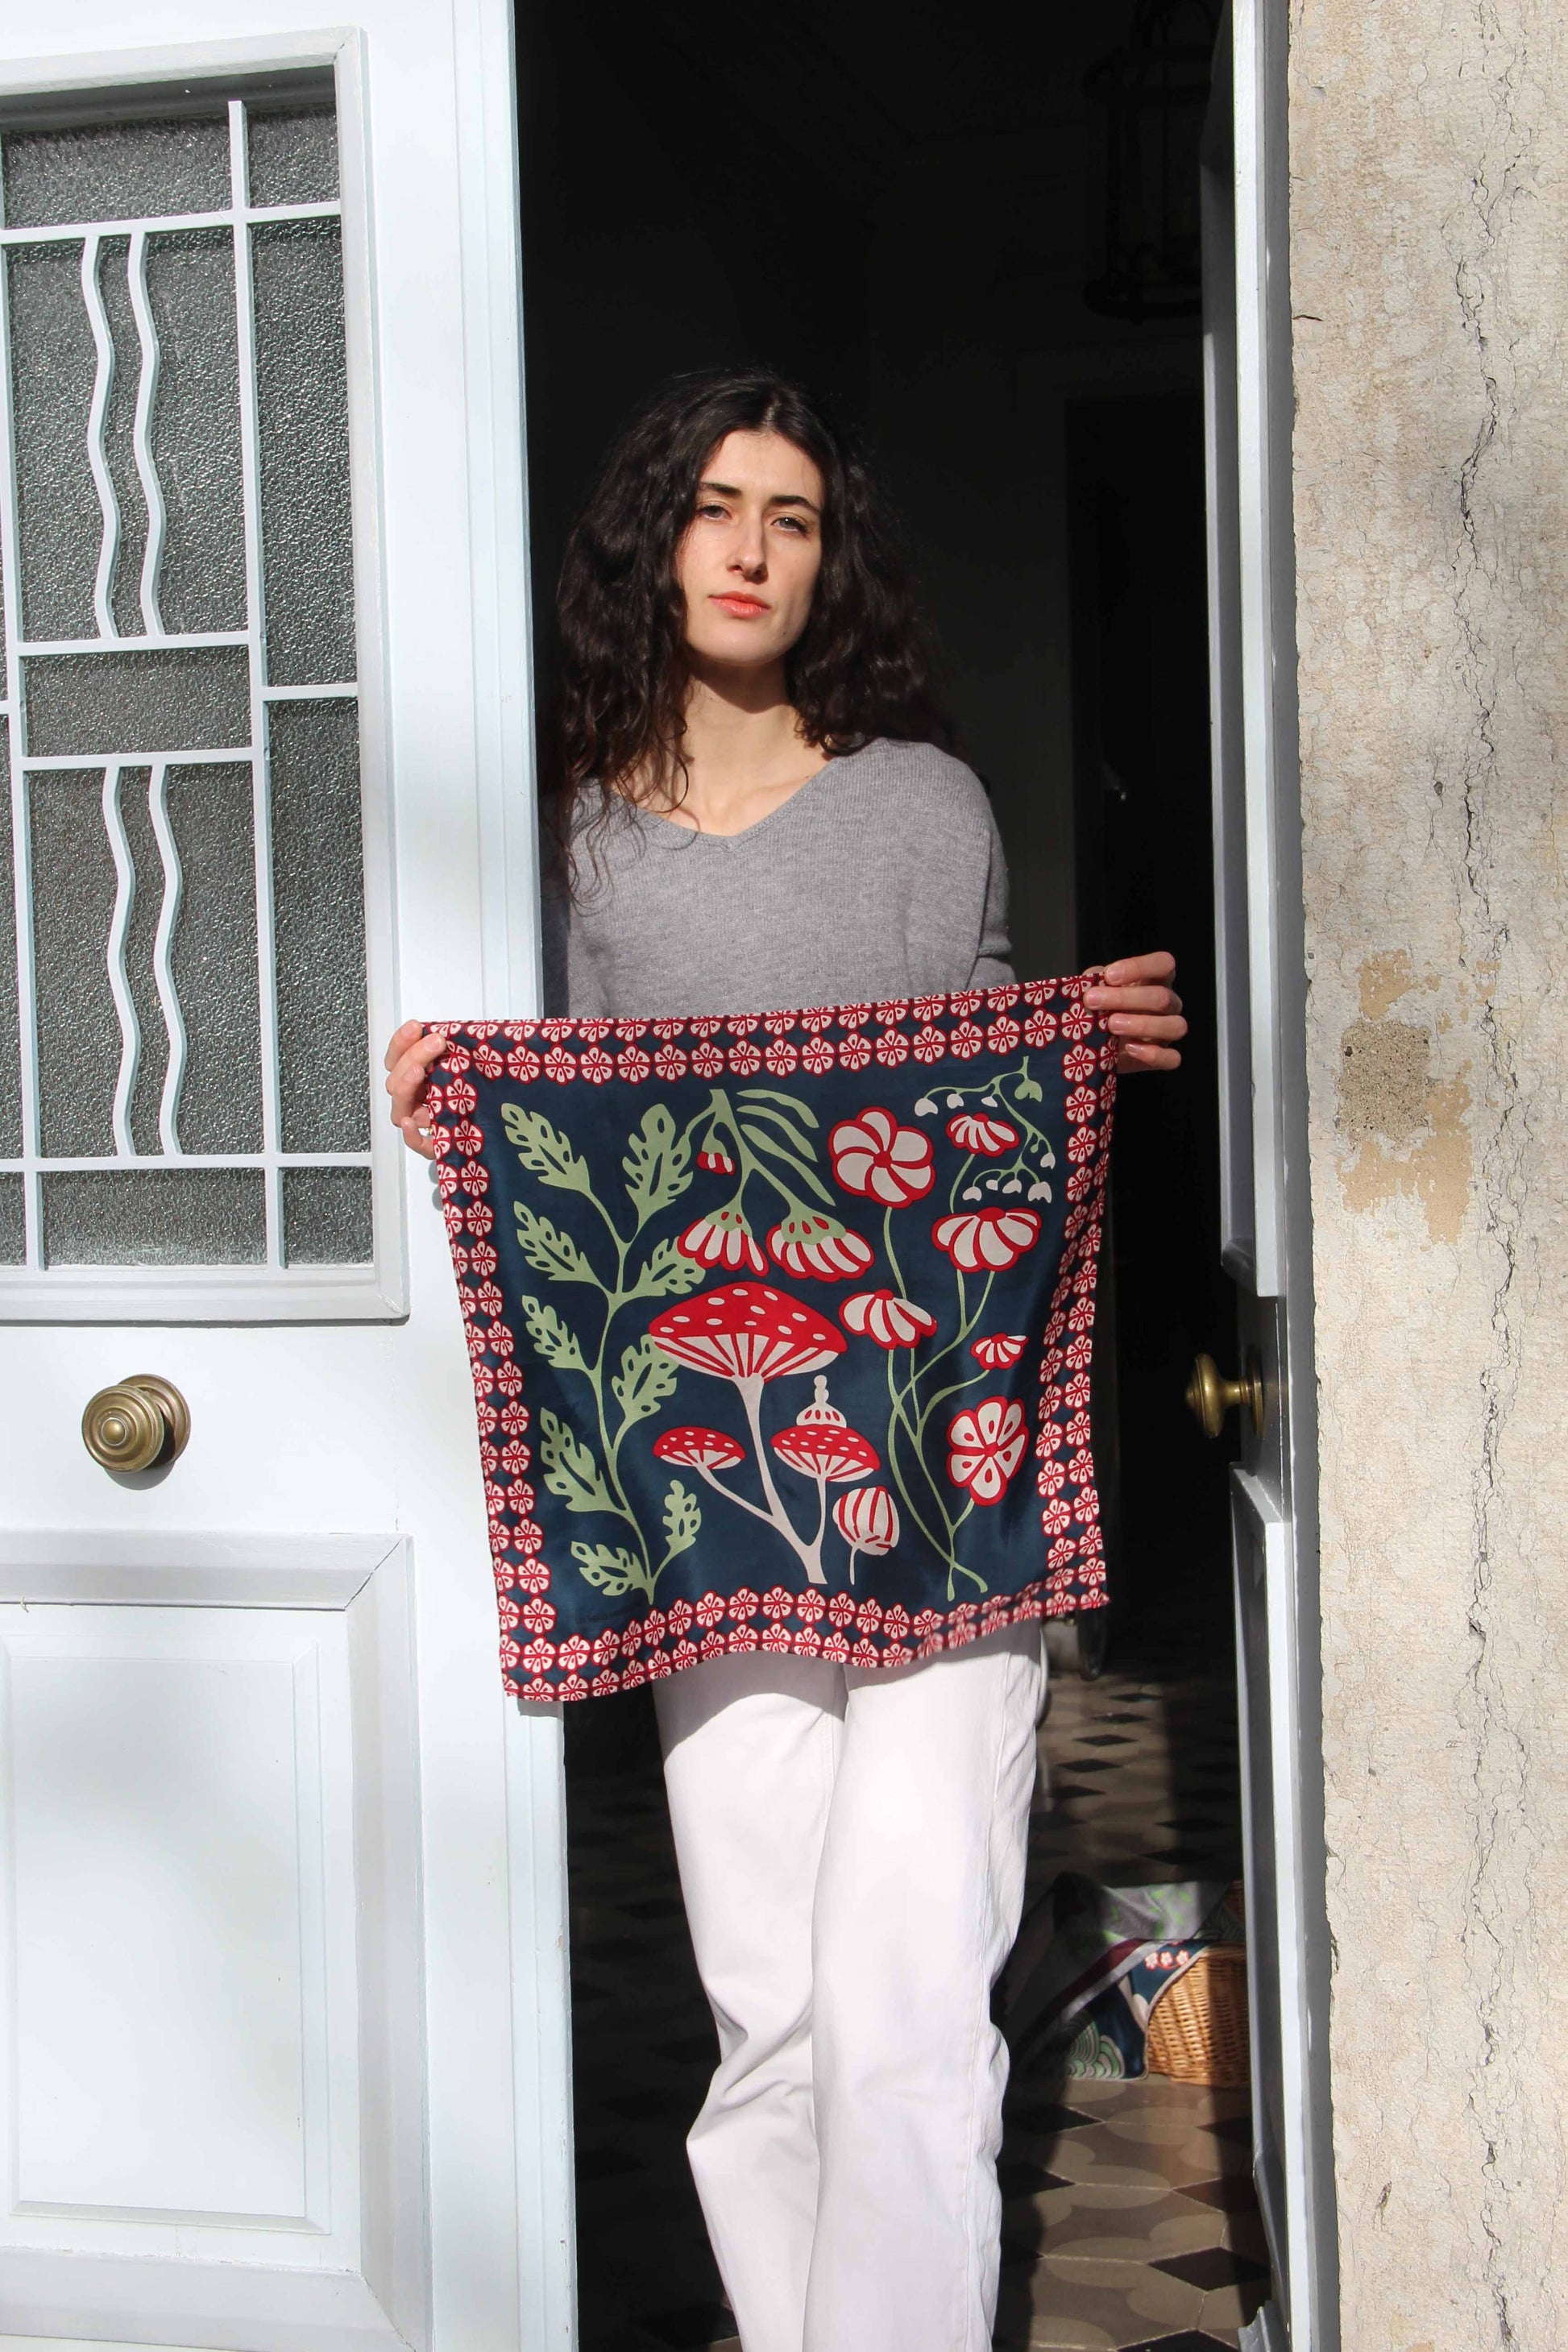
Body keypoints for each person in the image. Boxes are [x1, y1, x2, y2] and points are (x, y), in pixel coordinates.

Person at [385, 369, 1185, 2352]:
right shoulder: (570, 842)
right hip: (708, 1479)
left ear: (832, 562)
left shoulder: (924, 804)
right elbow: (580, 1139)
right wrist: (449, 1101)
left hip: (941, 1472)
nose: (751, 549)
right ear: (653, 543)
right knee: (770, 2013)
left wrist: (1075, 1044)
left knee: (906, 1998)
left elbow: (968, 1111)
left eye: (795, 517)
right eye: (717, 507)